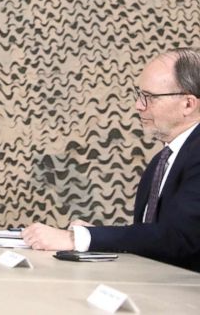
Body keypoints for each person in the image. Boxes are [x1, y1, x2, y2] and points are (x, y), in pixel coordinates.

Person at [23, 48, 200, 271]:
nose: (139, 105)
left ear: (188, 104)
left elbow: (183, 239)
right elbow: (154, 240)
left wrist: (80, 238)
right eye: (139, 95)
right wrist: (99, 235)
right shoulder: (161, 161)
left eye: (149, 97)